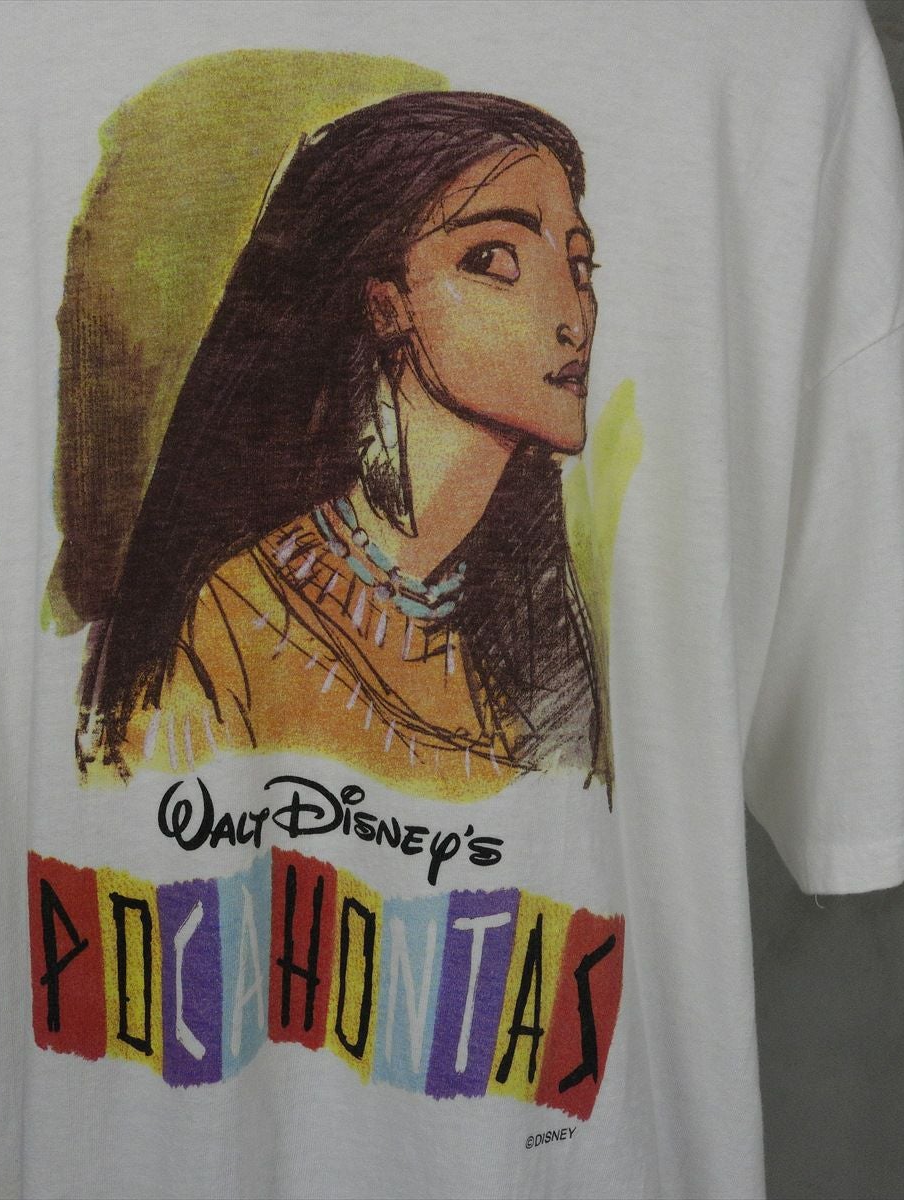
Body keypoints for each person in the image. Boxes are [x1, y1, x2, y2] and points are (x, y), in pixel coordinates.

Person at [74, 91, 610, 801]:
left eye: (579, 266)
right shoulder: (235, 623)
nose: (573, 318)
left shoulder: (542, 645)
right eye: (494, 259)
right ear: (386, 304)